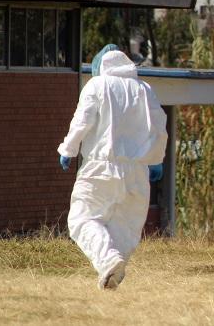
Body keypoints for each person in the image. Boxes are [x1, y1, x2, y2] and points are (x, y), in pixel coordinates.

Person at [58, 48, 168, 290]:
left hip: (100, 167)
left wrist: (68, 149)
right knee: (126, 226)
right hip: (137, 172)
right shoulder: (144, 89)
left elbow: (82, 121)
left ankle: (108, 262)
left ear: (101, 65)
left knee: (82, 218)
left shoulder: (97, 85)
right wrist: (156, 159)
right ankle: (112, 271)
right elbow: (159, 126)